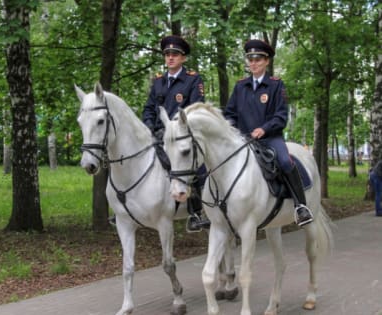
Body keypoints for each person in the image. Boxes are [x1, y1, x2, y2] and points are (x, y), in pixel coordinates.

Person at [109, 35, 210, 232]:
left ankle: (198, 211)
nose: (170, 58)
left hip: (181, 134)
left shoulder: (192, 79)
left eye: (175, 54)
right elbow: (149, 108)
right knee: (131, 159)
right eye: (167, 54)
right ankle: (124, 207)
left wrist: (174, 127)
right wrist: (148, 126)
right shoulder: (158, 82)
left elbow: (196, 108)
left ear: (183, 58)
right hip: (156, 134)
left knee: (197, 167)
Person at [224, 39, 314, 227]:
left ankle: (301, 206)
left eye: (258, 59)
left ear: (266, 61)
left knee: (285, 161)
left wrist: (263, 129)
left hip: (270, 138)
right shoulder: (240, 86)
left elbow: (281, 116)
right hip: (243, 140)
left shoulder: (276, 85)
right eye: (250, 59)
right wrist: (231, 129)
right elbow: (230, 113)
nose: (253, 63)